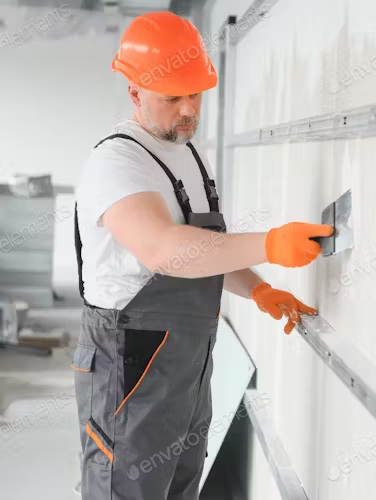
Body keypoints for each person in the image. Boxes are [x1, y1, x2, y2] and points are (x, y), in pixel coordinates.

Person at [71, 11, 332, 500]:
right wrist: (272, 243)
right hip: (130, 366)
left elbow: (205, 249)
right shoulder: (117, 162)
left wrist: (257, 288)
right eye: (173, 98)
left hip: (189, 362)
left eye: (196, 94)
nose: (189, 109)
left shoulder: (188, 153)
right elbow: (165, 250)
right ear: (135, 92)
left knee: (180, 487)